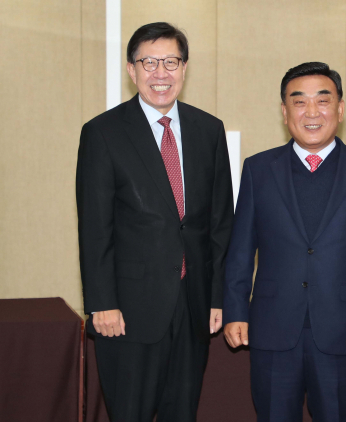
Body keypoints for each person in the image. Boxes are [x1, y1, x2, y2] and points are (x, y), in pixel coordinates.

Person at [223, 62, 346, 422]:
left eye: (323, 100)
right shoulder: (258, 169)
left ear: (340, 109)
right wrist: (235, 310)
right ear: (284, 111)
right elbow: (240, 251)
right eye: (299, 102)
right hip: (272, 329)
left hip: (342, 329)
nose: (312, 112)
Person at [76, 22, 234, 422]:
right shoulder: (103, 133)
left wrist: (217, 296)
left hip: (193, 305)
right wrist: (102, 303)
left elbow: (219, 224)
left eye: (171, 62)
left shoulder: (209, 130)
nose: (160, 73)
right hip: (128, 311)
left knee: (183, 413)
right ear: (132, 70)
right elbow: (95, 229)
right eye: (149, 62)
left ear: (185, 68)